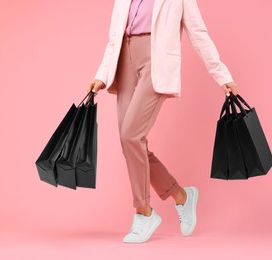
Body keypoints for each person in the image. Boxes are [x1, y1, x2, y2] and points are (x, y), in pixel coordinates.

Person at [86, 0, 238, 243]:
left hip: (156, 61)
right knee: (131, 144)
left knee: (130, 135)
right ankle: (181, 196)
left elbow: (198, 33)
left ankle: (144, 213)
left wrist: (222, 75)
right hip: (124, 59)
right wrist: (101, 75)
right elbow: (115, 36)